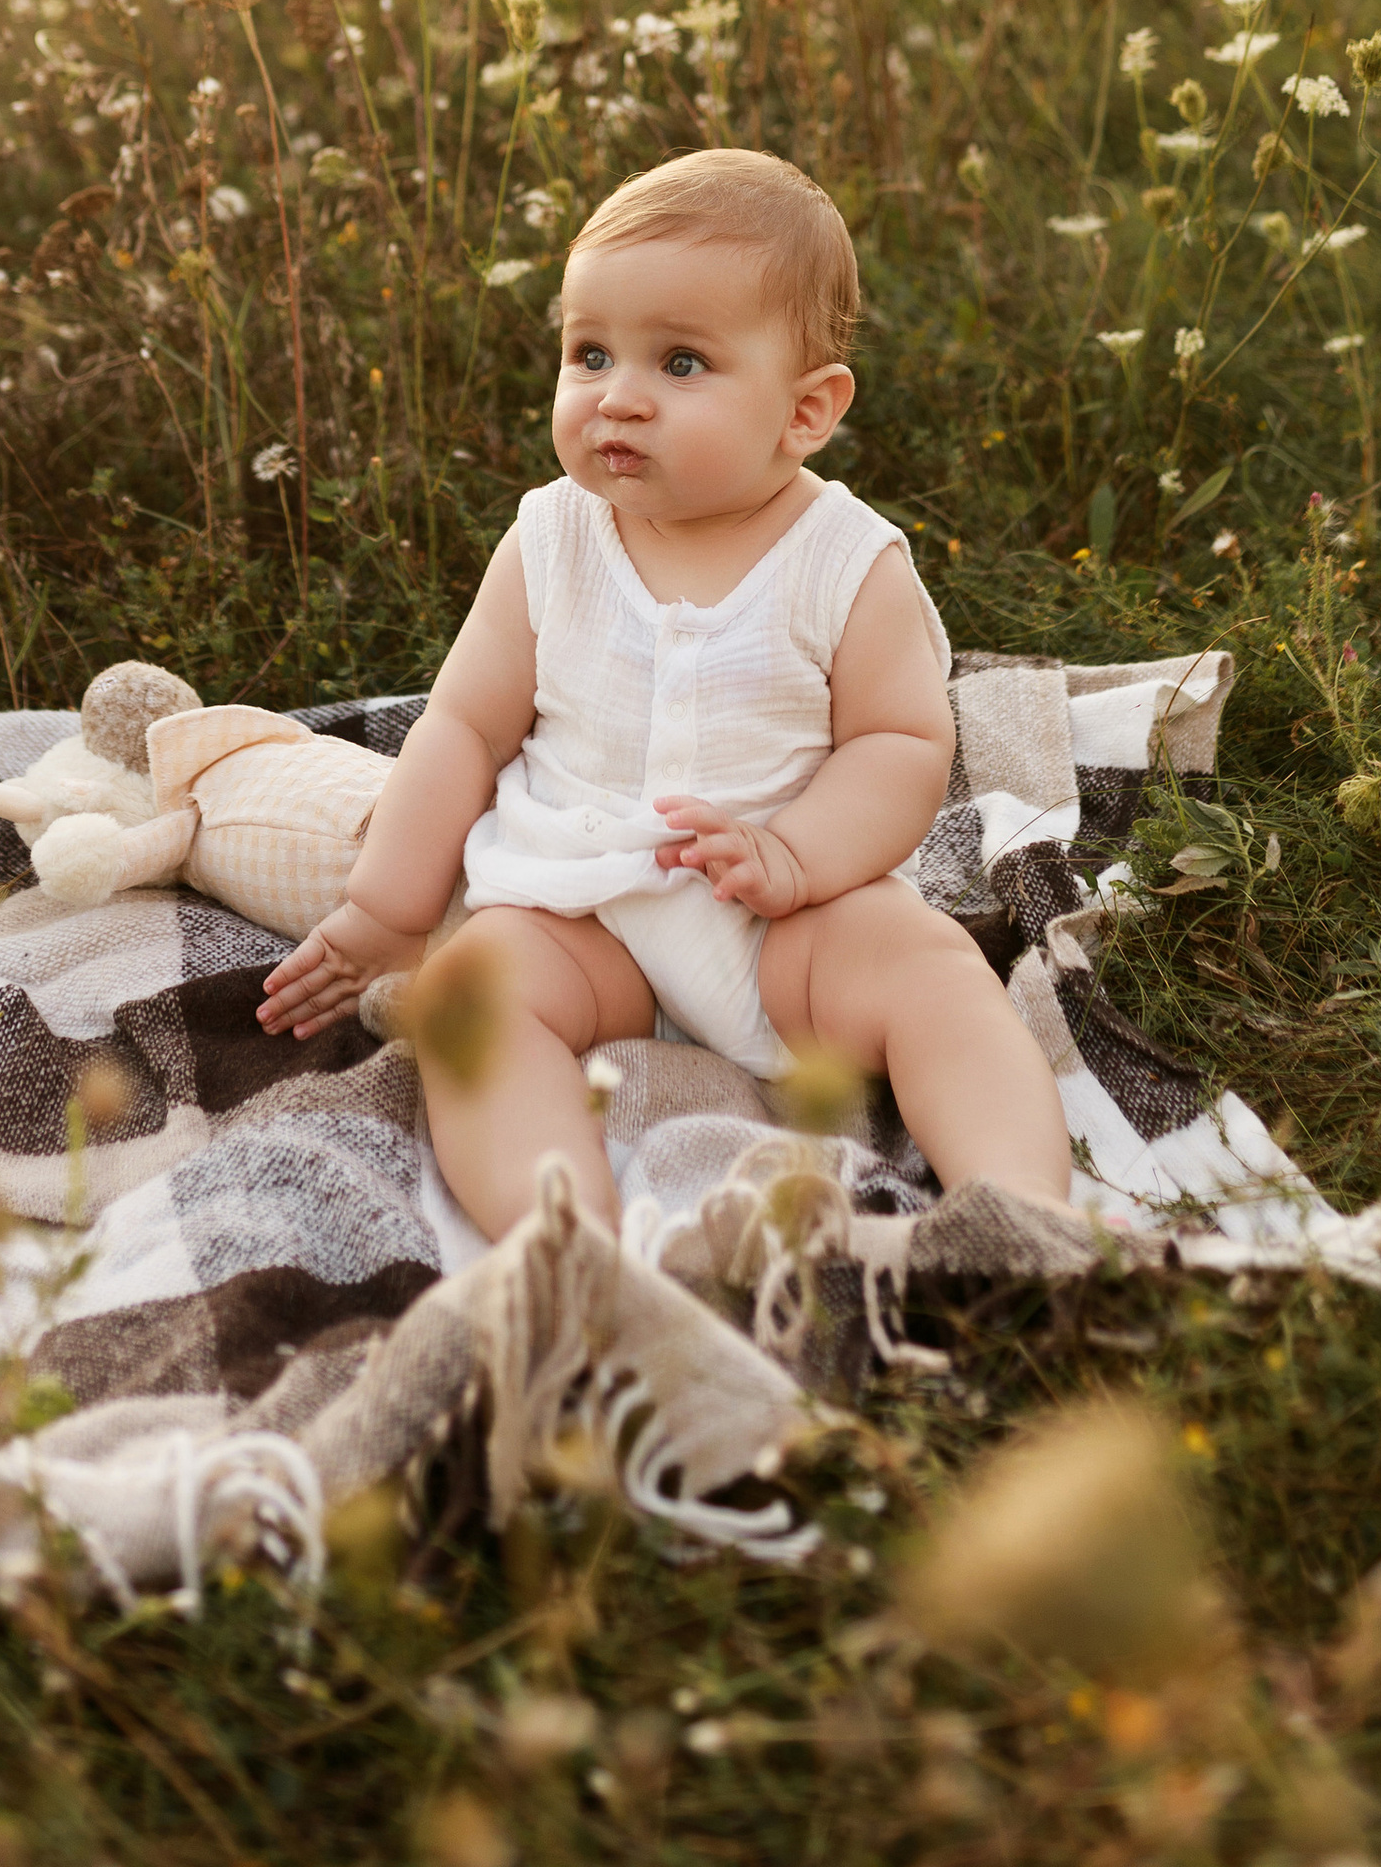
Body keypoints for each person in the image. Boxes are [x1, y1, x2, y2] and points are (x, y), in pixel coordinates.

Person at [258, 146, 1073, 1233]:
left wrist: (795, 856)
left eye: (679, 364)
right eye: (589, 354)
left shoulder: (845, 561)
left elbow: (899, 745)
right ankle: (560, 1229)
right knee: (469, 997)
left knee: (930, 970)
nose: (619, 399)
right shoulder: (552, 540)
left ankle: (1017, 1209)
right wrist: (384, 908)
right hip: (583, 916)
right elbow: (459, 728)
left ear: (805, 411)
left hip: (791, 927)